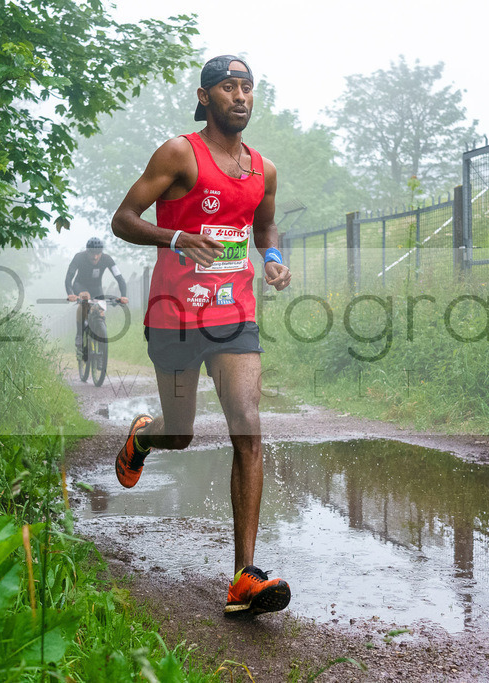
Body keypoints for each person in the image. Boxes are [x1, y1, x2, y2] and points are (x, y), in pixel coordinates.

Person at [110, 54, 292, 617]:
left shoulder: (263, 168)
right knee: (181, 434)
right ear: (206, 95)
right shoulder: (179, 154)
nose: (240, 97)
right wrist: (176, 237)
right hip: (176, 313)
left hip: (234, 312)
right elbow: (123, 218)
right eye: (229, 88)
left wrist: (274, 259)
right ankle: (145, 436)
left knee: (248, 427)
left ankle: (244, 575)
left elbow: (263, 227)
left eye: (248, 88)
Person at [65, 236, 129, 354]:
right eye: (92, 253)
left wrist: (123, 295)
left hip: (96, 288)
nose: (95, 256)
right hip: (80, 285)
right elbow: (69, 277)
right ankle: (79, 335)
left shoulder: (107, 259)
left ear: (101, 252)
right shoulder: (79, 257)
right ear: (87, 251)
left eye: (98, 253)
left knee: (100, 310)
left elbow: (119, 278)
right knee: (85, 298)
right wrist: (70, 294)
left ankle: (101, 350)